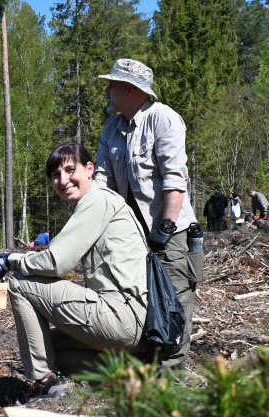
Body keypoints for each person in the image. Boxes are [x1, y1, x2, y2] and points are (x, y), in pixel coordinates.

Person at [0, 142, 151, 400]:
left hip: (123, 315)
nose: (63, 180)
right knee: (48, 347)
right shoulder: (101, 201)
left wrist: (11, 259)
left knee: (20, 281)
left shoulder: (97, 199)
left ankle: (44, 381)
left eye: (70, 170)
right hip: (134, 324)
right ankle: (124, 374)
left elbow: (57, 262)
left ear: (89, 169)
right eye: (55, 175)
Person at [93, 58, 202, 370]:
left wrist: (164, 231)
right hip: (131, 240)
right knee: (137, 310)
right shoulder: (111, 128)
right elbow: (102, 181)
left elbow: (174, 180)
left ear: (129, 89)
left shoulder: (163, 119)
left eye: (112, 84)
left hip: (170, 238)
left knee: (173, 310)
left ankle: (170, 394)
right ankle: (142, 382)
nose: (107, 90)